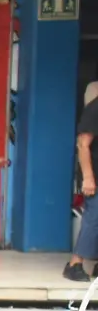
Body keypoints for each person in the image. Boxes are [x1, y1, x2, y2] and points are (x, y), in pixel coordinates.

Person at [68, 85, 98, 282]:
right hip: (95, 175)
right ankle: (74, 264)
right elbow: (83, 144)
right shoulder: (95, 108)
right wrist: (88, 177)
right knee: (93, 219)